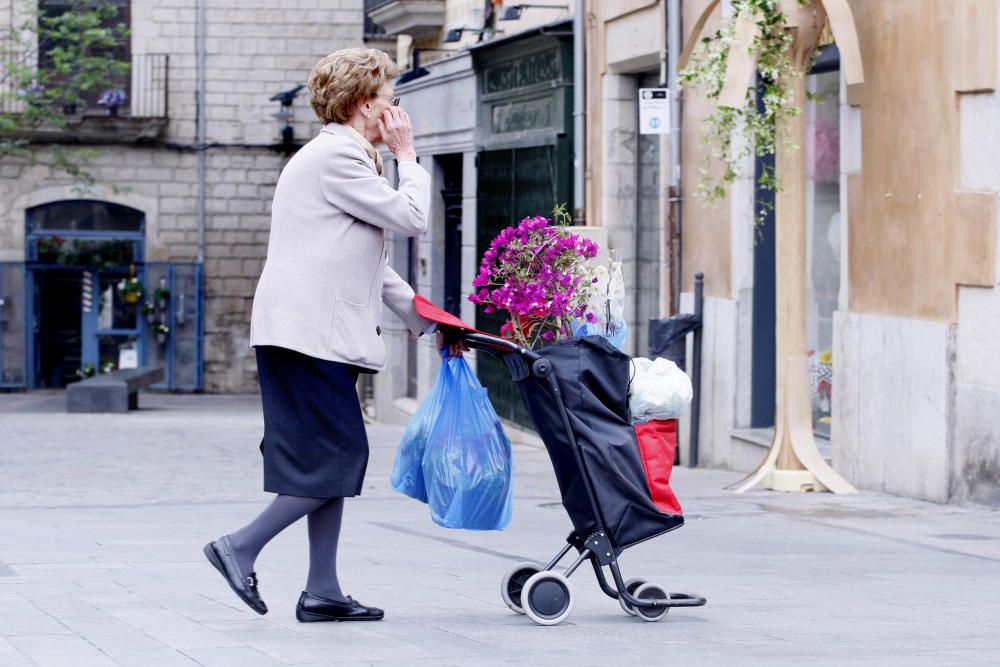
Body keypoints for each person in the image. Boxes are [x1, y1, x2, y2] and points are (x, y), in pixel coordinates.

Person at [203, 47, 461, 623]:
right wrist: (409, 157)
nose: (395, 108)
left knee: (328, 460)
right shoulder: (337, 158)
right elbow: (412, 218)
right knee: (338, 458)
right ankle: (239, 547)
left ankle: (322, 590)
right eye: (388, 97)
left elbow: (371, 262)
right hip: (307, 333)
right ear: (360, 102)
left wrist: (428, 319)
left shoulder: (345, 158)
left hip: (310, 332)